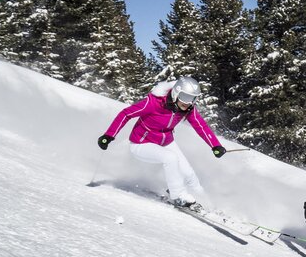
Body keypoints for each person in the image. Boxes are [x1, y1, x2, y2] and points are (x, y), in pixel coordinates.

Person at [97, 76, 226, 211]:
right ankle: (178, 196)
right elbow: (126, 114)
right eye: (185, 97)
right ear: (176, 92)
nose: (188, 103)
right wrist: (109, 135)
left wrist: (215, 145)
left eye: (193, 99)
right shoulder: (153, 103)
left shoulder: (187, 109)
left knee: (189, 174)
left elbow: (201, 125)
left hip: (165, 142)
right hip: (141, 143)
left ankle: (206, 203)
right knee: (170, 158)